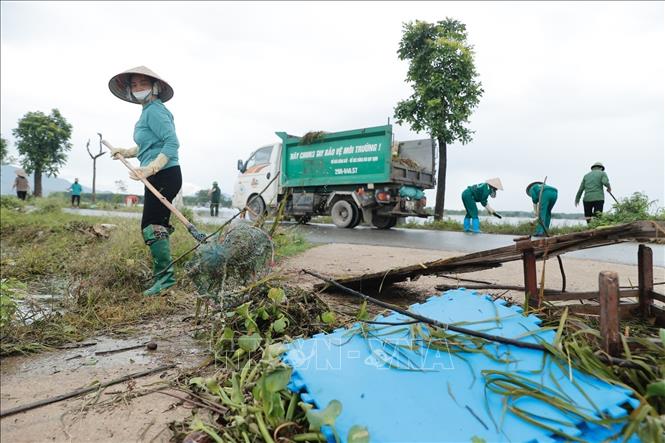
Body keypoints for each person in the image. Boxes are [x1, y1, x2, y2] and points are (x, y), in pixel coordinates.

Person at [107, 66, 180, 297]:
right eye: (134, 85)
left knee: (152, 226)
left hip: (164, 174)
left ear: (155, 87)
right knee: (154, 225)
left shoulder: (155, 111)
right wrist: (126, 152)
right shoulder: (148, 111)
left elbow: (171, 143)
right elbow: (148, 146)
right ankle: (163, 277)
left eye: (143, 84)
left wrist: (151, 168)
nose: (138, 88)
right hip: (158, 174)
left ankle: (165, 280)